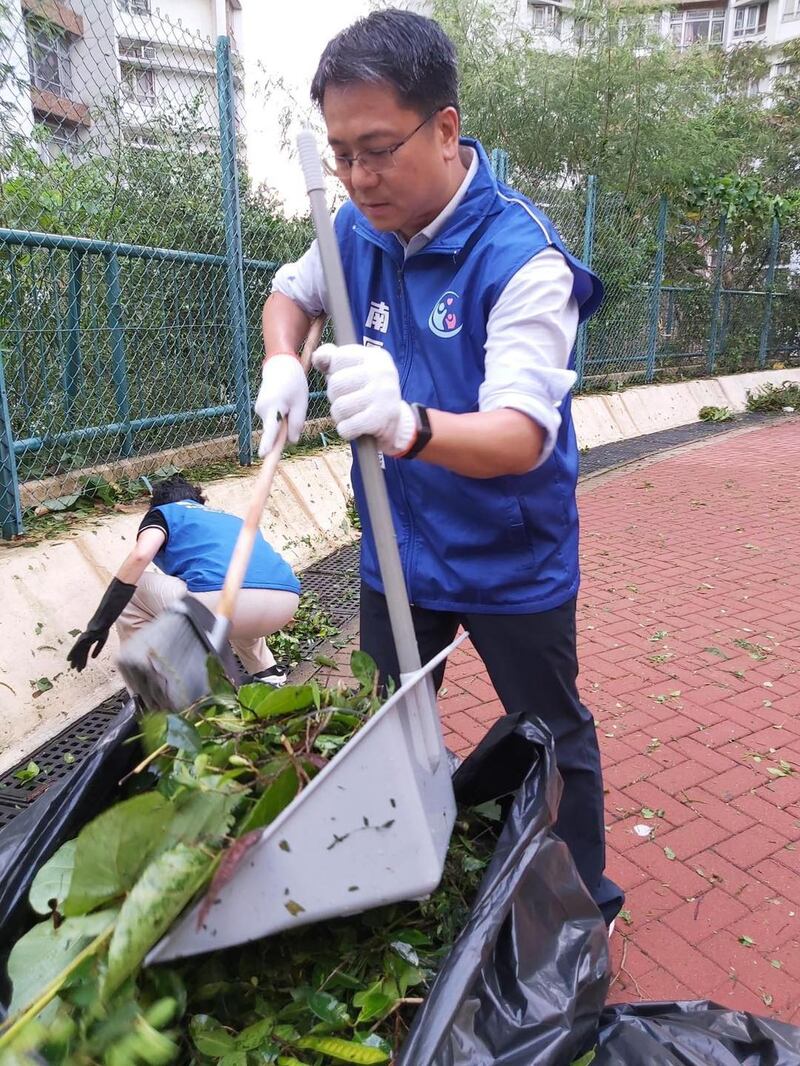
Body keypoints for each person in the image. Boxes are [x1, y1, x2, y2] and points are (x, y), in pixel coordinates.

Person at [256, 9, 623, 925]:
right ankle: (395, 878)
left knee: (550, 733)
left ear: (447, 128)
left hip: (510, 554)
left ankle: (581, 910)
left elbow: (520, 434)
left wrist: (412, 425)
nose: (357, 176)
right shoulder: (353, 228)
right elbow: (289, 295)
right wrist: (280, 361)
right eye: (340, 152)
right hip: (397, 547)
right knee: (388, 726)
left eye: (377, 148)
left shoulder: (522, 257)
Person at [67, 475, 300, 686]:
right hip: (284, 601)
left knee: (133, 591)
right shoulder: (231, 518)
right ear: (199, 501)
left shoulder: (164, 513)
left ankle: (148, 691)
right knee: (232, 589)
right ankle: (268, 674)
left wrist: (99, 625)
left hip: (224, 603)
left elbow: (140, 555)